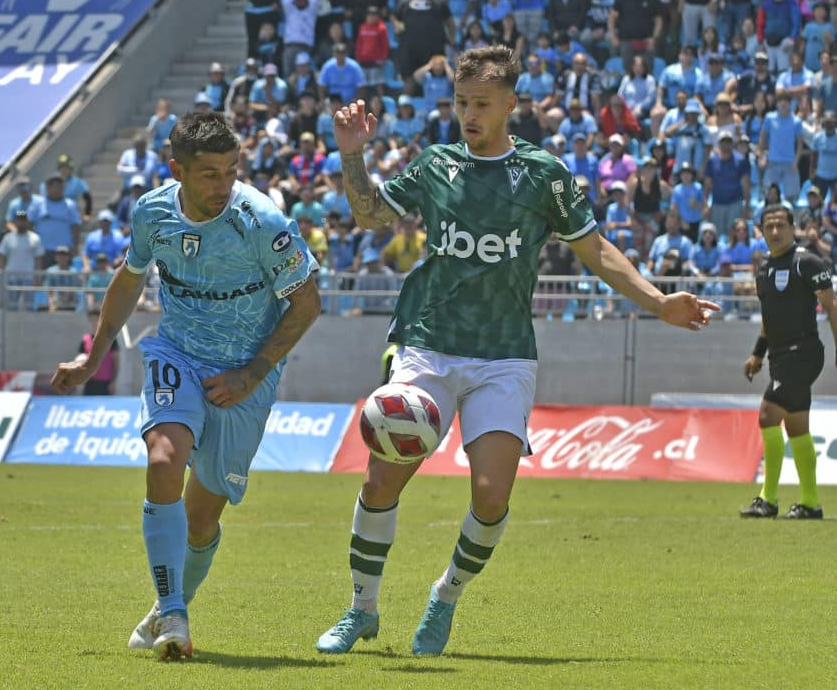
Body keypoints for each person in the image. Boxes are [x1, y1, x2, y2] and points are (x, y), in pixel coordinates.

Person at [314, 46, 717, 657]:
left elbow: (596, 250)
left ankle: (444, 597)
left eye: (480, 103)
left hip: (503, 353)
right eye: (460, 103)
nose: (468, 114)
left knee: (491, 495)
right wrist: (352, 153)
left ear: (509, 104)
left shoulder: (542, 176)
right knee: (382, 477)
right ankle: (361, 609)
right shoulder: (437, 164)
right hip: (427, 342)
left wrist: (658, 301)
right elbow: (370, 216)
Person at [49, 112, 322, 661]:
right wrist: (90, 358)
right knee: (162, 461)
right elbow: (128, 283)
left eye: (230, 172)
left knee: (201, 523)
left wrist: (252, 373)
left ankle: (164, 607)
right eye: (208, 175)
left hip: (246, 374)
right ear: (177, 169)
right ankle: (175, 611)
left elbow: (307, 302)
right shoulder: (151, 212)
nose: (222, 186)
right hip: (177, 355)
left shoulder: (262, 220)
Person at [741, 204, 835, 520]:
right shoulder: (763, 269)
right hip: (780, 356)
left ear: (793, 227)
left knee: (768, 414)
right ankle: (810, 503)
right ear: (762, 231)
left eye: (781, 225)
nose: (776, 231)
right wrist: (758, 352)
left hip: (804, 352)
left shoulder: (807, 262)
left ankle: (767, 499)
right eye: (769, 226)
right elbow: (769, 318)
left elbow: (832, 305)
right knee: (797, 427)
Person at [78, 309, 119, 396]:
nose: (94, 322)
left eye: (96, 319)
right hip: (89, 384)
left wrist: (113, 382)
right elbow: (79, 361)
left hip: (105, 384)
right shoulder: (85, 340)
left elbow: (116, 363)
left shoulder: (111, 339)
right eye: (92, 320)